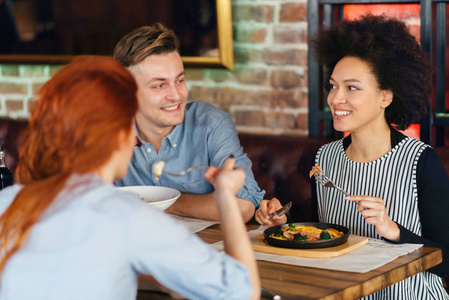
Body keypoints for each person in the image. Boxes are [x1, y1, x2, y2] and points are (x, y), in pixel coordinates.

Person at [0, 56, 260, 300]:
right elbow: (242, 291)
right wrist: (224, 196)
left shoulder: (7, 201)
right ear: (119, 135)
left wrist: (159, 280)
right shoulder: (126, 215)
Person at [255, 14, 449, 299]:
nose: (335, 98)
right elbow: (324, 236)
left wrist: (393, 230)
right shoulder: (325, 158)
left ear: (386, 96)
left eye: (352, 87)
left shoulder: (420, 161)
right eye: (333, 86)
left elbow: (446, 260)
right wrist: (284, 225)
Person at [113, 23, 265, 222]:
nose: (177, 95)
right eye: (159, 85)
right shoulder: (108, 130)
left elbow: (243, 207)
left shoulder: (211, 124)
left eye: (180, 80)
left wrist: (160, 203)